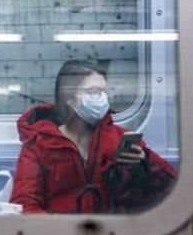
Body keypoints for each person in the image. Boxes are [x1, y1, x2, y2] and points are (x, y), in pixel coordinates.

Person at [10, 60, 176, 214]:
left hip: (110, 234)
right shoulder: (39, 143)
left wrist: (143, 166)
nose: (103, 99)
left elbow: (171, 185)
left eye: (104, 92)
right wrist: (59, 233)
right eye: (94, 92)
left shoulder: (119, 138)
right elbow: (24, 203)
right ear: (70, 99)